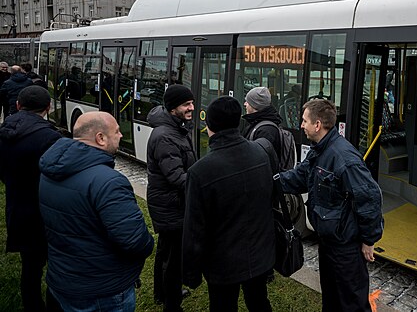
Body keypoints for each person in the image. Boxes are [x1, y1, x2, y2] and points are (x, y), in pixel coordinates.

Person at [38, 111, 154, 311]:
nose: (121, 136)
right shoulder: (109, 181)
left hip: (62, 278)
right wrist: (149, 243)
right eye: (117, 131)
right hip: (102, 290)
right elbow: (134, 240)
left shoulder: (49, 171)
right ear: (100, 138)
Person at [280, 99, 383, 312]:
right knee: (332, 299)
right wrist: (268, 179)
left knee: (351, 303)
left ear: (317, 125)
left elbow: (370, 198)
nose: (301, 125)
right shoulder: (320, 150)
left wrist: (368, 239)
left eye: (304, 120)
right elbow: (299, 177)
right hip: (328, 243)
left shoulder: (343, 157)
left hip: (346, 248)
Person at [182, 96, 275, 312]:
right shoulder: (261, 153)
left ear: (209, 125)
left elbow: (194, 230)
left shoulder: (200, 171)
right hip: (260, 255)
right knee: (260, 302)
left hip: (223, 264)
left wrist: (191, 274)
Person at [0, 86, 62, 312]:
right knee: (56, 266)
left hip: (18, 207)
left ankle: (32, 306)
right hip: (46, 211)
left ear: (18, 105)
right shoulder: (50, 137)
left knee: (30, 268)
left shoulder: (4, 131)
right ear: (47, 108)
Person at [146, 84, 196, 312]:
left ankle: (164, 293)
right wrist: (202, 186)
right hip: (171, 204)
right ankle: (171, 303)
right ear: (173, 107)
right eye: (186, 104)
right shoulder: (166, 136)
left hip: (169, 202)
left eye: (192, 103)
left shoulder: (174, 129)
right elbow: (177, 177)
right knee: (173, 257)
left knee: (166, 251)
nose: (192, 108)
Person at [243, 86, 282, 162]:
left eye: (248, 101)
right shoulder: (256, 122)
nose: (245, 104)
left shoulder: (266, 131)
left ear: (255, 105)